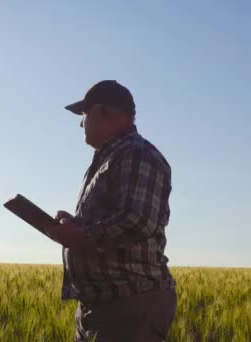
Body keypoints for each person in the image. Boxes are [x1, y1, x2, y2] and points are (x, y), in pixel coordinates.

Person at [45, 80, 177, 341]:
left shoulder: (137, 154)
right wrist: (76, 225)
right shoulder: (113, 157)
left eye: (84, 115)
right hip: (102, 305)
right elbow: (117, 219)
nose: (81, 124)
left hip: (128, 305)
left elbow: (137, 221)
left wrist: (79, 236)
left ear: (104, 111)